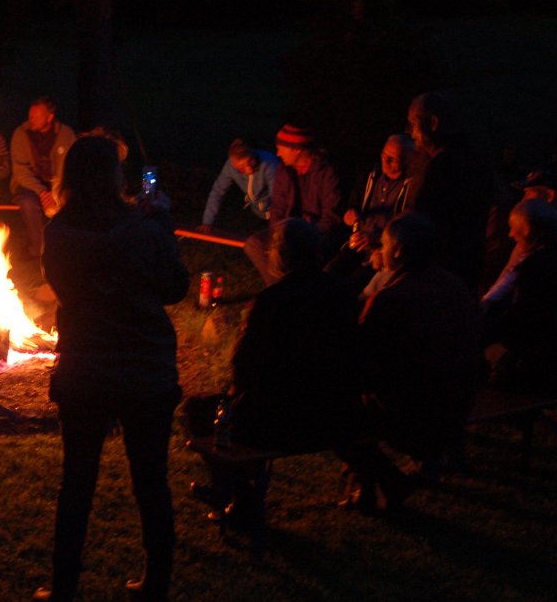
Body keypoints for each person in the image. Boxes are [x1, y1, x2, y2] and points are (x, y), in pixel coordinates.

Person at [36, 136, 188, 602]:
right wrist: (160, 228)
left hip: (87, 368)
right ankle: (157, 583)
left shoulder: (59, 233)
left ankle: (65, 587)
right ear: (113, 178)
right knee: (151, 480)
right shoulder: (144, 229)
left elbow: (65, 288)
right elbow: (175, 288)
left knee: (77, 482)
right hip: (145, 367)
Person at [186, 220, 362, 521]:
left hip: (280, 420)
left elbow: (243, 365)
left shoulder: (271, 302)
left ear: (280, 256)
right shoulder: (342, 294)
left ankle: (238, 495)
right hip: (335, 410)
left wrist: (235, 400)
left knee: (198, 409)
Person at [349, 213, 484, 500]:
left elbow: (361, 357)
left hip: (414, 410)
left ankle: (378, 481)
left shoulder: (391, 299)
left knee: (338, 413)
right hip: (461, 399)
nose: (379, 251)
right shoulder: (454, 286)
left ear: (397, 252)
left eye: (383, 245)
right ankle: (438, 456)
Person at [405, 92, 493, 291]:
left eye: (413, 123)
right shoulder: (474, 159)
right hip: (466, 265)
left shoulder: (443, 167)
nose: (411, 132)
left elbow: (427, 222)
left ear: (433, 123)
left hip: (443, 269)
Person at [243, 123, 343, 286]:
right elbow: (278, 209)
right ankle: (282, 289)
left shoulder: (327, 172)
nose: (277, 153)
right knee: (254, 244)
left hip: (314, 235)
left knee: (293, 252)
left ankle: (284, 294)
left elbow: (331, 216)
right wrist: (278, 234)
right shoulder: (285, 170)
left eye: (281, 148)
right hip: (288, 232)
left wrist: (311, 233)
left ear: (297, 149)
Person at [483, 200, 557, 395]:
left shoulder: (535, 268)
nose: (510, 234)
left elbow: (523, 321)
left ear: (529, 231)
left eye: (514, 229)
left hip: (540, 360)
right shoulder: (536, 258)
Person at [324, 134, 414, 290]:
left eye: (393, 158)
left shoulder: (410, 187)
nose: (386, 162)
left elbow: (407, 231)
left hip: (384, 253)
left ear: (407, 159)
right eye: (384, 155)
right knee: (327, 273)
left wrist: (377, 239)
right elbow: (352, 205)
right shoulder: (371, 175)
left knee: (352, 286)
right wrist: (350, 215)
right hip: (359, 243)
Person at [10, 95, 77, 259]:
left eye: (36, 116)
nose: (31, 119)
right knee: (27, 202)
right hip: (31, 186)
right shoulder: (21, 133)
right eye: (30, 115)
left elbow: (70, 168)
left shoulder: (65, 134)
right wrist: (41, 192)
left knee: (69, 201)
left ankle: (65, 249)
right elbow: (20, 171)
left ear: (50, 117)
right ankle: (38, 250)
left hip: (58, 184)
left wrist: (54, 192)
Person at [199, 139, 278, 230]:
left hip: (276, 213)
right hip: (256, 211)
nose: (249, 170)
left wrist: (277, 222)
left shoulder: (270, 163)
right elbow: (217, 192)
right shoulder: (230, 167)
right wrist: (207, 222)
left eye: (251, 162)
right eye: (242, 167)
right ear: (233, 164)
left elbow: (277, 196)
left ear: (253, 154)